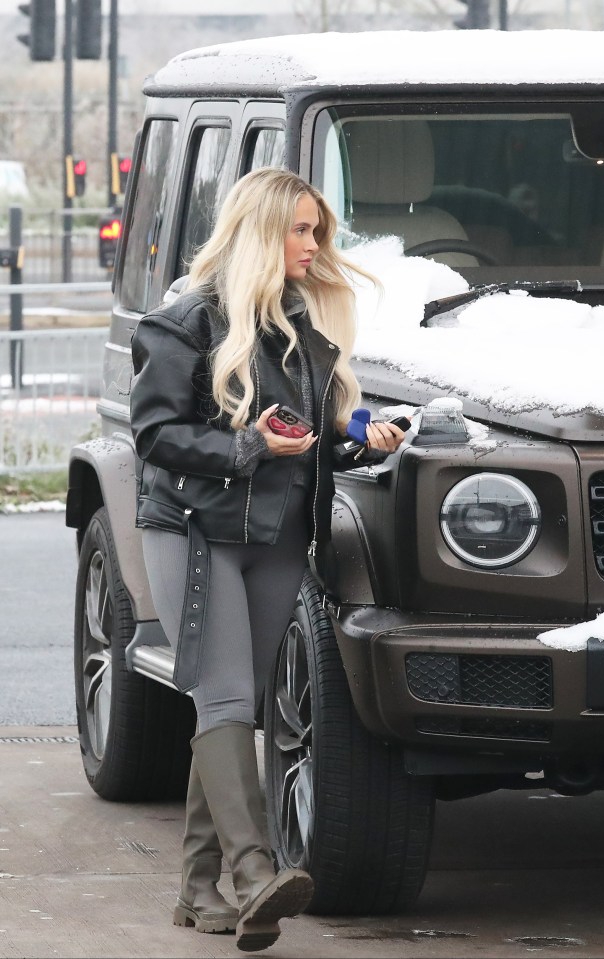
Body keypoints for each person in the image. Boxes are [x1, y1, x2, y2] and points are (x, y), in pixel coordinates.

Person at [129, 167, 404, 952]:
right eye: (301, 230)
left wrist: (363, 427)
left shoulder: (303, 324)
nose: (315, 247)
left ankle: (195, 886)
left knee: (234, 701)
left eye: (319, 232)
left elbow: (325, 412)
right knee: (224, 698)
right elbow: (155, 435)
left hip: (280, 534)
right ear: (261, 231)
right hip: (193, 527)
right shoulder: (183, 321)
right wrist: (251, 444)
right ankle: (254, 877)